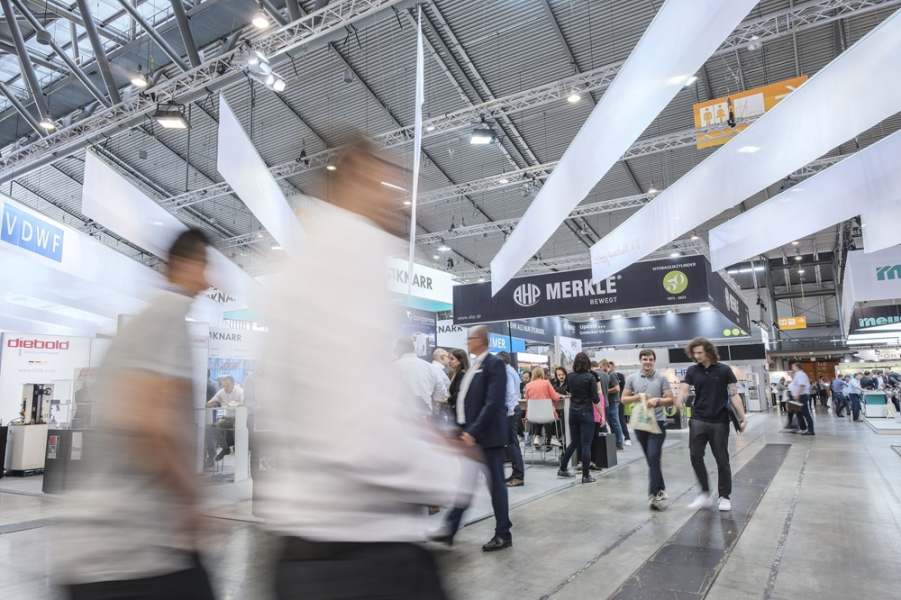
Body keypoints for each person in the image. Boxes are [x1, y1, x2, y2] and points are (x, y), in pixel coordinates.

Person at [254, 139, 469, 599]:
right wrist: (450, 472)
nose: (397, 197)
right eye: (384, 182)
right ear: (351, 178)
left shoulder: (302, 264)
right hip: (360, 555)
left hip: (305, 547)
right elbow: (357, 437)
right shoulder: (350, 255)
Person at [56, 229, 216, 600]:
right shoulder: (169, 314)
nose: (209, 281)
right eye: (204, 266)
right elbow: (150, 426)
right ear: (182, 264)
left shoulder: (148, 321)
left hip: (106, 547)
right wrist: (193, 499)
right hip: (132, 548)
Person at [440, 326, 513, 552]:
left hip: (487, 437)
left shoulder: (494, 364)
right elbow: (468, 401)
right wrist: (461, 429)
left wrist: (473, 431)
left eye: (470, 338)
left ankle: (503, 534)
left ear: (481, 339)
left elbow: (493, 403)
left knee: (496, 486)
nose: (467, 342)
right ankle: (449, 529)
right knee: (466, 483)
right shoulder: (475, 366)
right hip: (472, 436)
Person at [681, 337, 748, 512]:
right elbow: (684, 389)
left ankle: (724, 496)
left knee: (722, 459)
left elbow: (734, 394)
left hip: (719, 421)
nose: (696, 356)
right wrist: (679, 399)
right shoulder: (692, 370)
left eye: (700, 352)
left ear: (709, 352)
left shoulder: (724, 370)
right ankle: (704, 493)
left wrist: (743, 417)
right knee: (695, 455)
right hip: (698, 419)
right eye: (694, 353)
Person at [622, 349, 675, 511]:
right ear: (640, 360)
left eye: (650, 359)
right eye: (645, 359)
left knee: (653, 456)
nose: (648, 362)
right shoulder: (632, 378)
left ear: (654, 361)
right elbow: (623, 399)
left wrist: (657, 401)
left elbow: (670, 399)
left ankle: (654, 494)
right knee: (652, 460)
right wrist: (638, 397)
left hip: (658, 423)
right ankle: (660, 489)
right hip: (640, 424)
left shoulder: (661, 378)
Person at [558, 352, 601, 484]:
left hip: (573, 413)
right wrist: (602, 415)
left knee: (574, 442)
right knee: (586, 444)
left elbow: (567, 391)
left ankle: (562, 468)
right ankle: (586, 476)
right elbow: (596, 399)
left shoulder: (570, 376)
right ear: (587, 363)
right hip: (586, 413)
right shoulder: (590, 377)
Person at [497, 352, 525, 488]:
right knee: (512, 444)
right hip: (513, 409)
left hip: (510, 411)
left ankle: (518, 476)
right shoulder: (511, 370)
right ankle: (516, 474)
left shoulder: (507, 372)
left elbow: (509, 394)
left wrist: (507, 412)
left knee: (512, 444)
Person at [395, 337, 444, 413]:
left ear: (399, 349)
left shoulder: (393, 367)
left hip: (400, 414)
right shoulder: (430, 367)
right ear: (414, 349)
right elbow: (441, 391)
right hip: (425, 414)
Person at [205, 375, 245, 464]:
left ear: (233, 384)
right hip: (226, 419)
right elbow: (210, 402)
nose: (225, 388)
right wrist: (211, 404)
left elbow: (243, 404)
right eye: (224, 386)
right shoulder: (221, 392)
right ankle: (225, 448)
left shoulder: (239, 391)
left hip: (238, 419)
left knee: (235, 429)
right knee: (211, 427)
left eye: (227, 385)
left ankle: (237, 450)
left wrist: (234, 405)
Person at [524, 367, 561, 449]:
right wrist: (559, 395)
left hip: (533, 416)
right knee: (547, 418)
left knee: (539, 417)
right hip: (547, 415)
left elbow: (527, 400)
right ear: (542, 374)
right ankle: (549, 440)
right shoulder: (546, 383)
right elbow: (555, 397)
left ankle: (537, 437)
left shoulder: (528, 385)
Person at [601, 359, 625, 450]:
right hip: (610, 402)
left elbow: (617, 388)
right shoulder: (608, 375)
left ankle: (619, 443)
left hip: (613, 402)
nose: (600, 369)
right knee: (612, 423)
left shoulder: (612, 375)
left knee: (615, 422)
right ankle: (616, 443)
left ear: (605, 366)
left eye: (601, 367)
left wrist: (606, 390)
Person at [788, 361, 815, 436]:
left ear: (797, 367)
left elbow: (802, 385)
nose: (792, 368)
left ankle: (811, 430)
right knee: (798, 413)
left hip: (801, 396)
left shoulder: (801, 374)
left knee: (805, 413)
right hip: (799, 396)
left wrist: (797, 394)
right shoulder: (797, 374)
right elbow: (795, 384)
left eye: (793, 367)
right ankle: (803, 428)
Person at [610, 362, 631, 447]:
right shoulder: (608, 376)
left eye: (611, 367)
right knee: (614, 421)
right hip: (612, 401)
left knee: (621, 419)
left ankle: (627, 438)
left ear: (614, 367)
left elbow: (623, 388)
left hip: (619, 400)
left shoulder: (619, 376)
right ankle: (618, 438)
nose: (610, 368)